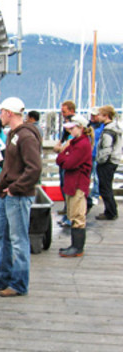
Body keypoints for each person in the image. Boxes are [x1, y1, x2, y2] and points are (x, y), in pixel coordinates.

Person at [0, 97, 42, 297]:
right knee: (2, 236)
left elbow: (34, 168)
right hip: (10, 193)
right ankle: (3, 279)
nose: (0, 116)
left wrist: (16, 187)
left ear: (9, 113)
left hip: (17, 195)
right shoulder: (15, 135)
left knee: (18, 240)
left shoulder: (25, 137)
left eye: (2, 112)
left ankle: (18, 284)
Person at [56, 115, 92, 257]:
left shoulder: (81, 144)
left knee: (77, 216)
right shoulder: (75, 143)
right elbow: (61, 159)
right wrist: (65, 156)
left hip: (77, 183)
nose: (70, 131)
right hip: (72, 182)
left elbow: (68, 162)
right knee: (72, 214)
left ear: (80, 128)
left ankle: (78, 248)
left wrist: (64, 155)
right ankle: (74, 245)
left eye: (73, 128)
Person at [95, 105, 122, 220]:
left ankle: (110, 212)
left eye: (100, 115)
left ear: (106, 116)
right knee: (107, 187)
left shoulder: (108, 130)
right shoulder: (115, 127)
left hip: (107, 161)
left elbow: (106, 148)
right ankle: (111, 210)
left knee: (105, 187)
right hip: (114, 160)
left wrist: (100, 160)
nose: (98, 117)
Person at [53, 100, 76, 218]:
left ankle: (70, 212)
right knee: (63, 184)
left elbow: (66, 146)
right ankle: (67, 208)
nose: (63, 114)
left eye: (64, 112)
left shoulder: (74, 128)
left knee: (68, 185)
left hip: (69, 161)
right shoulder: (65, 130)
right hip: (63, 160)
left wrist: (60, 147)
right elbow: (61, 142)